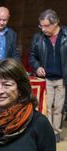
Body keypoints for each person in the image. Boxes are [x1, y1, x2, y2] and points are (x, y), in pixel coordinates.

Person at [29, 9, 67, 143]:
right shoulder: (38, 37)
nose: (43, 29)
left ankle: (57, 132)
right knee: (47, 106)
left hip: (62, 79)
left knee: (59, 107)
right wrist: (37, 66)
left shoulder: (65, 35)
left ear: (56, 23)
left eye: (46, 26)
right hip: (46, 79)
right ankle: (49, 132)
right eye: (41, 26)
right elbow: (32, 56)